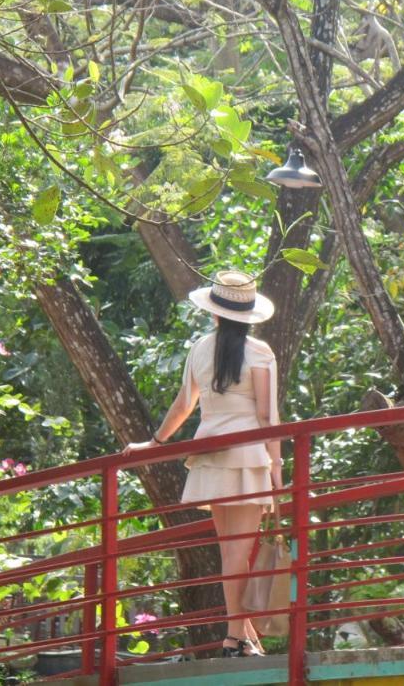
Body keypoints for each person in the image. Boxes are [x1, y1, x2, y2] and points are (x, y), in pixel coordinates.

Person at [124, 270, 282, 658]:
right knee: (237, 552)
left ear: (214, 312)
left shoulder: (199, 349)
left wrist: (154, 442)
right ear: (247, 315)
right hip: (247, 458)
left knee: (229, 551)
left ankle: (244, 639)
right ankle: (236, 638)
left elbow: (184, 405)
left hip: (210, 455)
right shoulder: (260, 352)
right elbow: (266, 414)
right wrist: (277, 467)